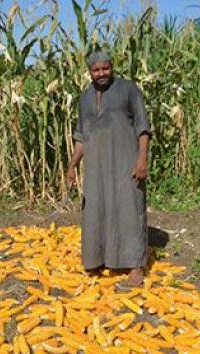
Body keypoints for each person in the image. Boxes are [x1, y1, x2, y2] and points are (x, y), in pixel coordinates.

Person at [67, 50, 151, 287]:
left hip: (126, 161)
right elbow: (81, 136)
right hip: (95, 166)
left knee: (129, 208)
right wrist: (73, 165)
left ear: (112, 67)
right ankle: (98, 258)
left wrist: (142, 159)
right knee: (95, 208)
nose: (101, 73)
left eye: (106, 68)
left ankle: (135, 265)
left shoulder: (128, 89)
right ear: (90, 72)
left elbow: (143, 127)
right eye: (96, 70)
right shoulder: (84, 98)